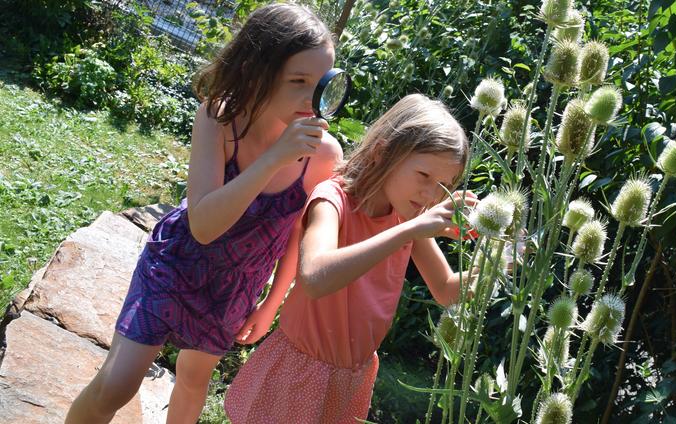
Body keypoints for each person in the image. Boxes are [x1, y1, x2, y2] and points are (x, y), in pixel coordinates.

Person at [65, 4, 342, 423]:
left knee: (193, 382)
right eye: (297, 81)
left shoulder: (322, 155)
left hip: (233, 289)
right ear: (256, 71)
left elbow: (296, 239)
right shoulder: (220, 118)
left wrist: (270, 304)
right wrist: (273, 158)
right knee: (117, 383)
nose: (311, 99)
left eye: (320, 84)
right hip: (175, 266)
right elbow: (205, 224)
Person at [224, 93, 477, 423]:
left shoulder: (406, 217)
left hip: (350, 377)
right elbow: (315, 278)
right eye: (423, 177)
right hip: (300, 371)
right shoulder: (333, 200)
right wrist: (409, 231)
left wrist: (498, 259)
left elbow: (446, 290)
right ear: (382, 152)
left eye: (443, 186)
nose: (431, 196)